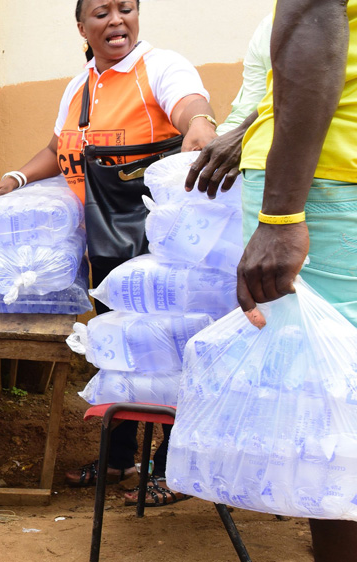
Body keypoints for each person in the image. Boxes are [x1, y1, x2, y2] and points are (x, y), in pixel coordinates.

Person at [0, 0, 218, 507]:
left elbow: (188, 105)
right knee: (121, 351)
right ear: (82, 27)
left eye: (126, 8)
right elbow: (59, 147)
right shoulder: (81, 85)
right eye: (102, 12)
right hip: (107, 245)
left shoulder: (160, 67)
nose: (116, 21)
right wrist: (17, 178)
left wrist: (199, 123)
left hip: (158, 249)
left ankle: (172, 468)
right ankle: (118, 458)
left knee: (171, 350)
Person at [191, 0, 357, 558]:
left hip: (332, 179)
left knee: (338, 417)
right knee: (339, 415)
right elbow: (312, 17)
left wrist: (282, 217)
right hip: (335, 176)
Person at [185, 13, 272, 196]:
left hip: (333, 176)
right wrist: (212, 150)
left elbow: (306, 94)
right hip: (264, 178)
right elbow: (248, 108)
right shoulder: (269, 26)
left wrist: (243, 136)